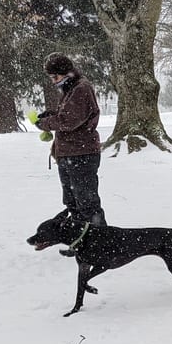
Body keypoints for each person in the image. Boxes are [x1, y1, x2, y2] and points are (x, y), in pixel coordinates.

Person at [33, 52, 107, 227]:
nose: (53, 81)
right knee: (72, 202)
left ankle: (100, 244)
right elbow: (67, 115)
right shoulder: (71, 88)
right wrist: (52, 115)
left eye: (55, 76)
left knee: (87, 203)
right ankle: (80, 241)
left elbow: (69, 120)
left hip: (81, 154)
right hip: (68, 154)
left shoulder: (81, 88)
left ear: (65, 72)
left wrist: (45, 123)